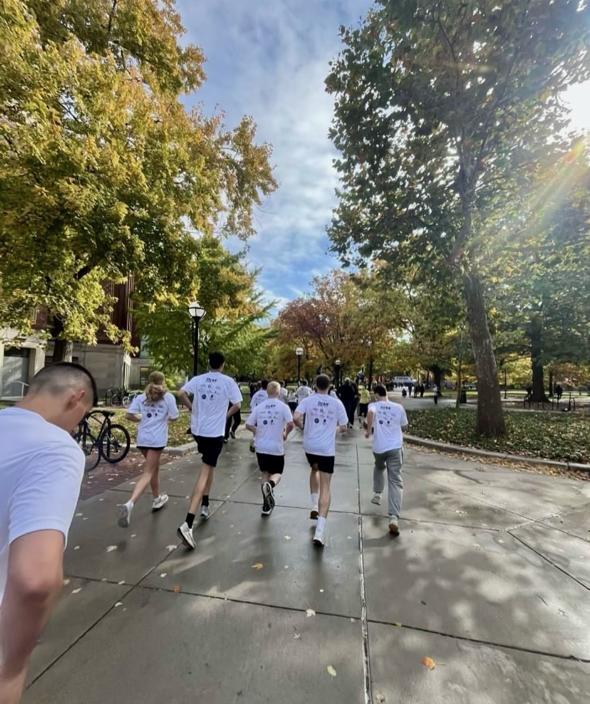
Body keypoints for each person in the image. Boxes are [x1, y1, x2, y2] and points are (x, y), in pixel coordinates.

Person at [0, 362, 97, 704]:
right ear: (76, 398)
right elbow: (34, 580)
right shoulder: (55, 448)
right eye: (81, 417)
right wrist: (12, 668)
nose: (75, 428)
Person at [177, 352, 242, 549]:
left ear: (209, 363)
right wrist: (224, 415)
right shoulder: (228, 381)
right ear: (222, 364)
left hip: (199, 430)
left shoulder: (198, 379)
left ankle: (206, 503)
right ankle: (187, 523)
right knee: (205, 470)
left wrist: (192, 409)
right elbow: (238, 404)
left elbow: (181, 393)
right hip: (214, 433)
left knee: (209, 464)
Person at [117, 372, 179, 528]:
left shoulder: (141, 397)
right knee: (148, 472)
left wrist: (141, 419)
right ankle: (130, 504)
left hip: (143, 438)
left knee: (154, 468)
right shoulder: (168, 397)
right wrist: (164, 418)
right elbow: (174, 416)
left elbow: (129, 415)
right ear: (163, 381)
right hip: (156, 439)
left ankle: (157, 498)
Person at [294, 374, 348, 546]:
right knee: (326, 486)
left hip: (310, 447)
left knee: (314, 469)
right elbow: (344, 426)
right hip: (326, 449)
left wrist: (303, 427)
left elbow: (295, 417)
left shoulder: (308, 400)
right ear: (330, 386)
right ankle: (319, 531)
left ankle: (313, 506)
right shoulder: (336, 403)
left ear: (315, 385)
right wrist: (333, 430)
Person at [246, 382, 294, 516]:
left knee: (265, 473)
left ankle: (266, 504)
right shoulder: (283, 407)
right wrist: (285, 434)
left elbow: (248, 424)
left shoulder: (259, 407)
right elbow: (290, 423)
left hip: (261, 446)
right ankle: (271, 486)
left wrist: (256, 431)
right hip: (275, 446)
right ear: (278, 392)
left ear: (267, 392)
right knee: (277, 472)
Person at [366, 385, 408, 535]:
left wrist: (368, 430)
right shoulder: (398, 407)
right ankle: (393, 517)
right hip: (395, 447)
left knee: (378, 466)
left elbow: (371, 413)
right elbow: (405, 426)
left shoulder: (373, 405)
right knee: (395, 480)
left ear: (377, 394)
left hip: (379, 447)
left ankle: (378, 494)